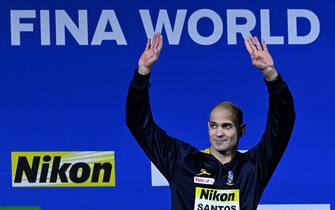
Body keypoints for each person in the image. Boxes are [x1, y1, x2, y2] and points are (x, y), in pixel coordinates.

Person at [126, 33, 295, 210]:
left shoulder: (253, 167)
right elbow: (139, 124)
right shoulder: (182, 162)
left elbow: (282, 126)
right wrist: (142, 73)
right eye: (214, 125)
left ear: (242, 129)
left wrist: (270, 74)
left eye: (227, 126)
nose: (219, 133)